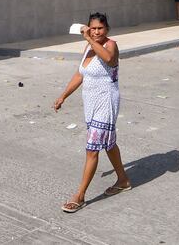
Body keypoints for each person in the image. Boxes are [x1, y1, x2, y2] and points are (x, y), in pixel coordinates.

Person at [52, 13, 131, 213]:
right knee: (108, 143)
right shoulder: (88, 47)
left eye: (100, 28)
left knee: (92, 149)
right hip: (91, 103)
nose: (96, 32)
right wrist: (63, 96)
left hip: (106, 102)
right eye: (93, 28)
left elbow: (109, 60)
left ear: (107, 29)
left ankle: (79, 196)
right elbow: (80, 74)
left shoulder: (111, 45)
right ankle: (123, 180)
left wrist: (89, 38)